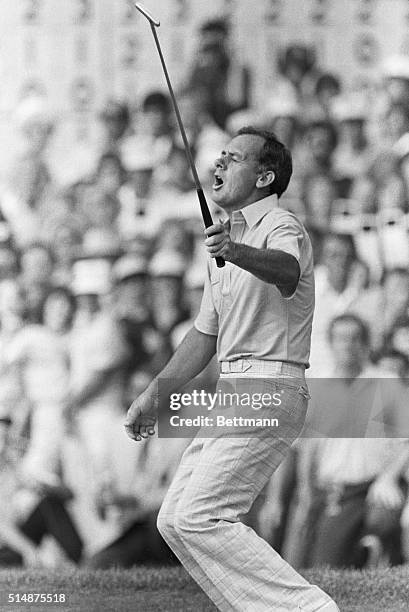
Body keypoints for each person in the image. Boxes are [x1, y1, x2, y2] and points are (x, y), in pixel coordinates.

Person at [125, 127, 339, 611]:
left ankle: (311, 608)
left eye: (234, 158)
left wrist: (235, 252)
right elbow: (204, 338)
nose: (218, 164)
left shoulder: (283, 225)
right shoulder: (226, 240)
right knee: (175, 518)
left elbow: (285, 270)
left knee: (201, 515)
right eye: (220, 155)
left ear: (265, 176)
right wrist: (153, 397)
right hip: (237, 387)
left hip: (270, 381)